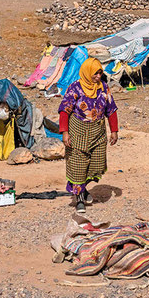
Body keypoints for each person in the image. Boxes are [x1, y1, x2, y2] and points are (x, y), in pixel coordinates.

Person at [58, 58, 118, 213]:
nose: (98, 76)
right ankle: (79, 200)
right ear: (87, 72)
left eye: (100, 73)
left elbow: (111, 109)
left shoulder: (103, 88)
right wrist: (65, 132)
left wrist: (114, 131)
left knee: (97, 165)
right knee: (79, 167)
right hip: (77, 131)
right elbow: (65, 110)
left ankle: (82, 188)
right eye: (95, 73)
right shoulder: (75, 88)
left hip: (98, 133)